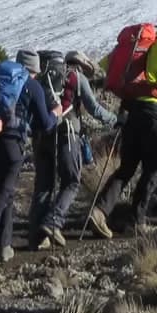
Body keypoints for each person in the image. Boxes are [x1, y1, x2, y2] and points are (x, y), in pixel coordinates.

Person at [85, 15, 157, 239]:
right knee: (154, 168)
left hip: (132, 112)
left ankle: (100, 211)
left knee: (127, 168)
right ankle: (137, 221)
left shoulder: (139, 45)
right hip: (153, 114)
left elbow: (107, 63)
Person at [0, 51, 57, 264]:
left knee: (3, 193)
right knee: (0, 196)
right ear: (33, 70)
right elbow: (45, 124)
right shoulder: (32, 85)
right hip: (11, 146)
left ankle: (3, 245)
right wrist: (56, 113)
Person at [30, 51, 116, 250]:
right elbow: (94, 108)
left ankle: (37, 235)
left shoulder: (43, 78)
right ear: (79, 65)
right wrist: (114, 120)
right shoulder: (77, 78)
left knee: (44, 186)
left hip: (42, 137)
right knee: (71, 182)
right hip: (67, 136)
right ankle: (53, 223)